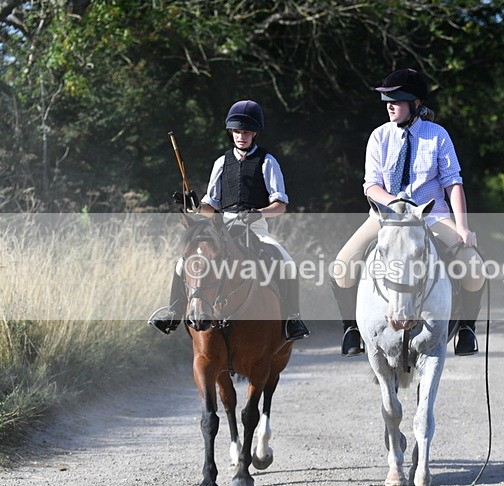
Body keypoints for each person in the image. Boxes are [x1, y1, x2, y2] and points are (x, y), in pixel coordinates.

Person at [330, 68, 484, 356]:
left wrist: (462, 227)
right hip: (386, 218)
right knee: (341, 266)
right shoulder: (379, 137)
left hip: (432, 216)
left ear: (415, 104)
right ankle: (351, 329)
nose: (390, 105)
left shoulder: (437, 136)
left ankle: (466, 328)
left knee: (474, 268)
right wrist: (398, 205)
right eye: (387, 100)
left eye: (397, 101)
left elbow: (453, 183)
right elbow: (371, 186)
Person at [148, 99, 310, 341]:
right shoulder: (222, 162)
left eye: (245, 132)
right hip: (222, 226)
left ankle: (292, 319)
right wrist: (192, 204)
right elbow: (209, 206)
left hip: (255, 226)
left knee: (286, 261)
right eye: (236, 132)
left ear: (254, 133)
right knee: (183, 263)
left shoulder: (267, 162)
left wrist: (257, 213)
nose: (240, 136)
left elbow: (280, 206)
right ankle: (173, 311)